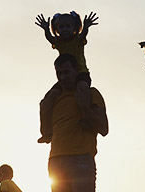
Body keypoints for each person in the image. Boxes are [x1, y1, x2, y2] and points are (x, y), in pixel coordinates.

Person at [38, 54, 108, 192]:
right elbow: (46, 133)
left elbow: (104, 128)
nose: (63, 77)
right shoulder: (55, 98)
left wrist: (84, 107)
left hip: (82, 160)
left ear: (77, 71)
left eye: (66, 72)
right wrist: (43, 111)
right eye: (59, 73)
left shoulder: (91, 94)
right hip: (56, 161)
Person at [35, 11, 99, 143]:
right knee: (48, 99)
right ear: (57, 30)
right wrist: (46, 29)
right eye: (61, 27)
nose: (64, 30)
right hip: (65, 78)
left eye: (68, 26)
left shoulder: (77, 40)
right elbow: (50, 38)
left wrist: (86, 26)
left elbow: (84, 34)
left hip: (81, 74)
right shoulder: (59, 43)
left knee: (82, 90)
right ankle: (47, 132)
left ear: (74, 28)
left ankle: (86, 119)